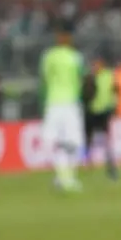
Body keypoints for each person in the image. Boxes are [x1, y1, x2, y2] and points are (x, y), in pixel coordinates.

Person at [40, 27, 85, 192]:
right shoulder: (76, 57)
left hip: (53, 103)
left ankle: (61, 177)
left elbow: (44, 78)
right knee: (73, 142)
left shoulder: (48, 56)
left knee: (54, 142)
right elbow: (81, 78)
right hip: (70, 103)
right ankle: (69, 179)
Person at [82, 56, 119, 180]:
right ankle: (87, 161)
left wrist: (113, 106)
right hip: (92, 110)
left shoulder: (109, 76)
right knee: (88, 137)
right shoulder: (90, 77)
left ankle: (110, 164)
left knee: (106, 139)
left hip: (104, 111)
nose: (95, 67)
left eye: (97, 65)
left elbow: (114, 90)